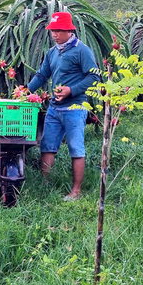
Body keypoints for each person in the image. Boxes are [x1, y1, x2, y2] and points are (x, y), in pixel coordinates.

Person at [27, 12, 99, 200]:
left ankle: (76, 191)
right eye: (53, 31)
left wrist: (71, 90)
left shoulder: (82, 51)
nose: (55, 34)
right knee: (47, 146)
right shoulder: (52, 52)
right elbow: (42, 75)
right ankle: (46, 185)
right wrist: (26, 91)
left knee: (76, 148)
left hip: (75, 108)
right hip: (54, 108)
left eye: (58, 31)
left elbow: (94, 76)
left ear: (69, 30)